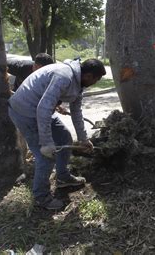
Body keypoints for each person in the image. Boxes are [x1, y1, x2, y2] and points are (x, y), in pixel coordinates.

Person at [8, 58, 106, 210]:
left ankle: (63, 177)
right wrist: (46, 142)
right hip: (25, 112)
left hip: (40, 109)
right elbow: (43, 109)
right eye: (97, 79)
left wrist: (83, 139)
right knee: (46, 157)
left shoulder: (78, 82)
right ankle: (42, 197)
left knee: (64, 136)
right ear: (89, 76)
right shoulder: (64, 77)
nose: (96, 83)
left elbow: (76, 112)